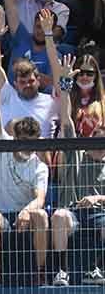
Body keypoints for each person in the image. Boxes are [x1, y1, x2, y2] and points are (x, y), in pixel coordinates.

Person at [0, 41, 50, 288]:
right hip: (2, 217)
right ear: (15, 138)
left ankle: (40, 271)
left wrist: (27, 210)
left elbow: (40, 197)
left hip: (24, 215)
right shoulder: (3, 147)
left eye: (30, 142)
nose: (25, 145)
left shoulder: (40, 166)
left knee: (41, 215)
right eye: (22, 140)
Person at [51, 54, 105, 286]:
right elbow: (66, 118)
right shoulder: (77, 152)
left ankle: (99, 270)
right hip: (72, 211)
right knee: (59, 216)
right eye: (96, 139)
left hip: (100, 213)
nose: (99, 145)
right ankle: (62, 271)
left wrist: (97, 197)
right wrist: (65, 85)